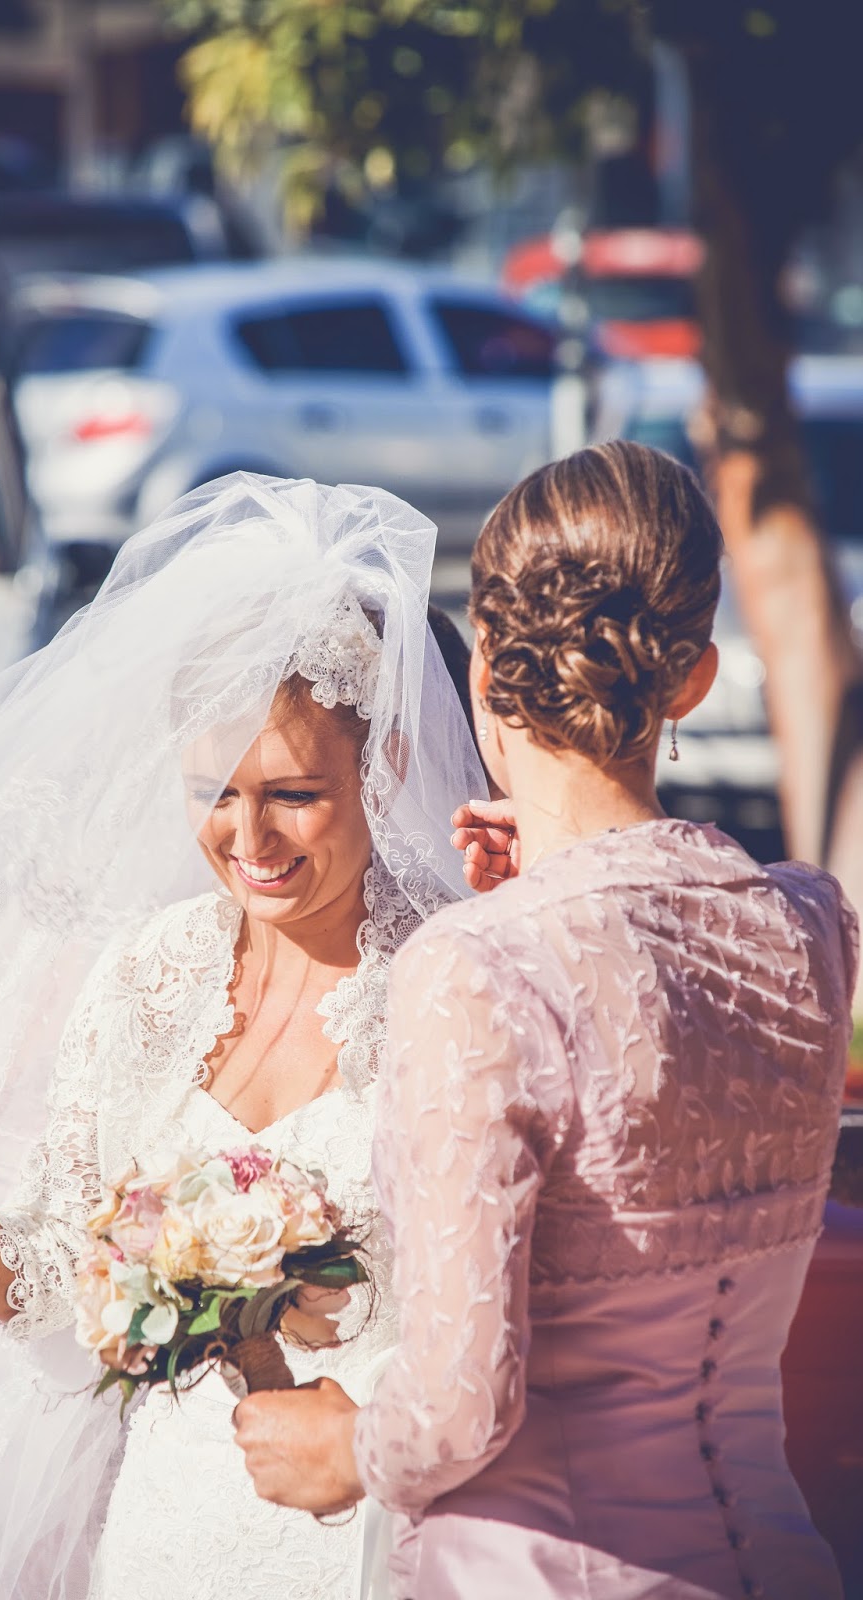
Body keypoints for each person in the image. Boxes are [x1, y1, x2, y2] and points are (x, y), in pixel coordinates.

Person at [0, 472, 487, 1599]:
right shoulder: (148, 978)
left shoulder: (458, 991)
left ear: (386, 765)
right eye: (213, 790)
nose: (248, 837)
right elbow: (48, 1277)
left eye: (294, 793)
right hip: (159, 1539)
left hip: (374, 1543)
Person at [234, 442, 858, 1600]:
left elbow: (458, 1409)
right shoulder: (808, 927)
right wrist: (558, 879)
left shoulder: (475, 969)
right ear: (694, 679)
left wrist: (340, 1449)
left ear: (483, 672)